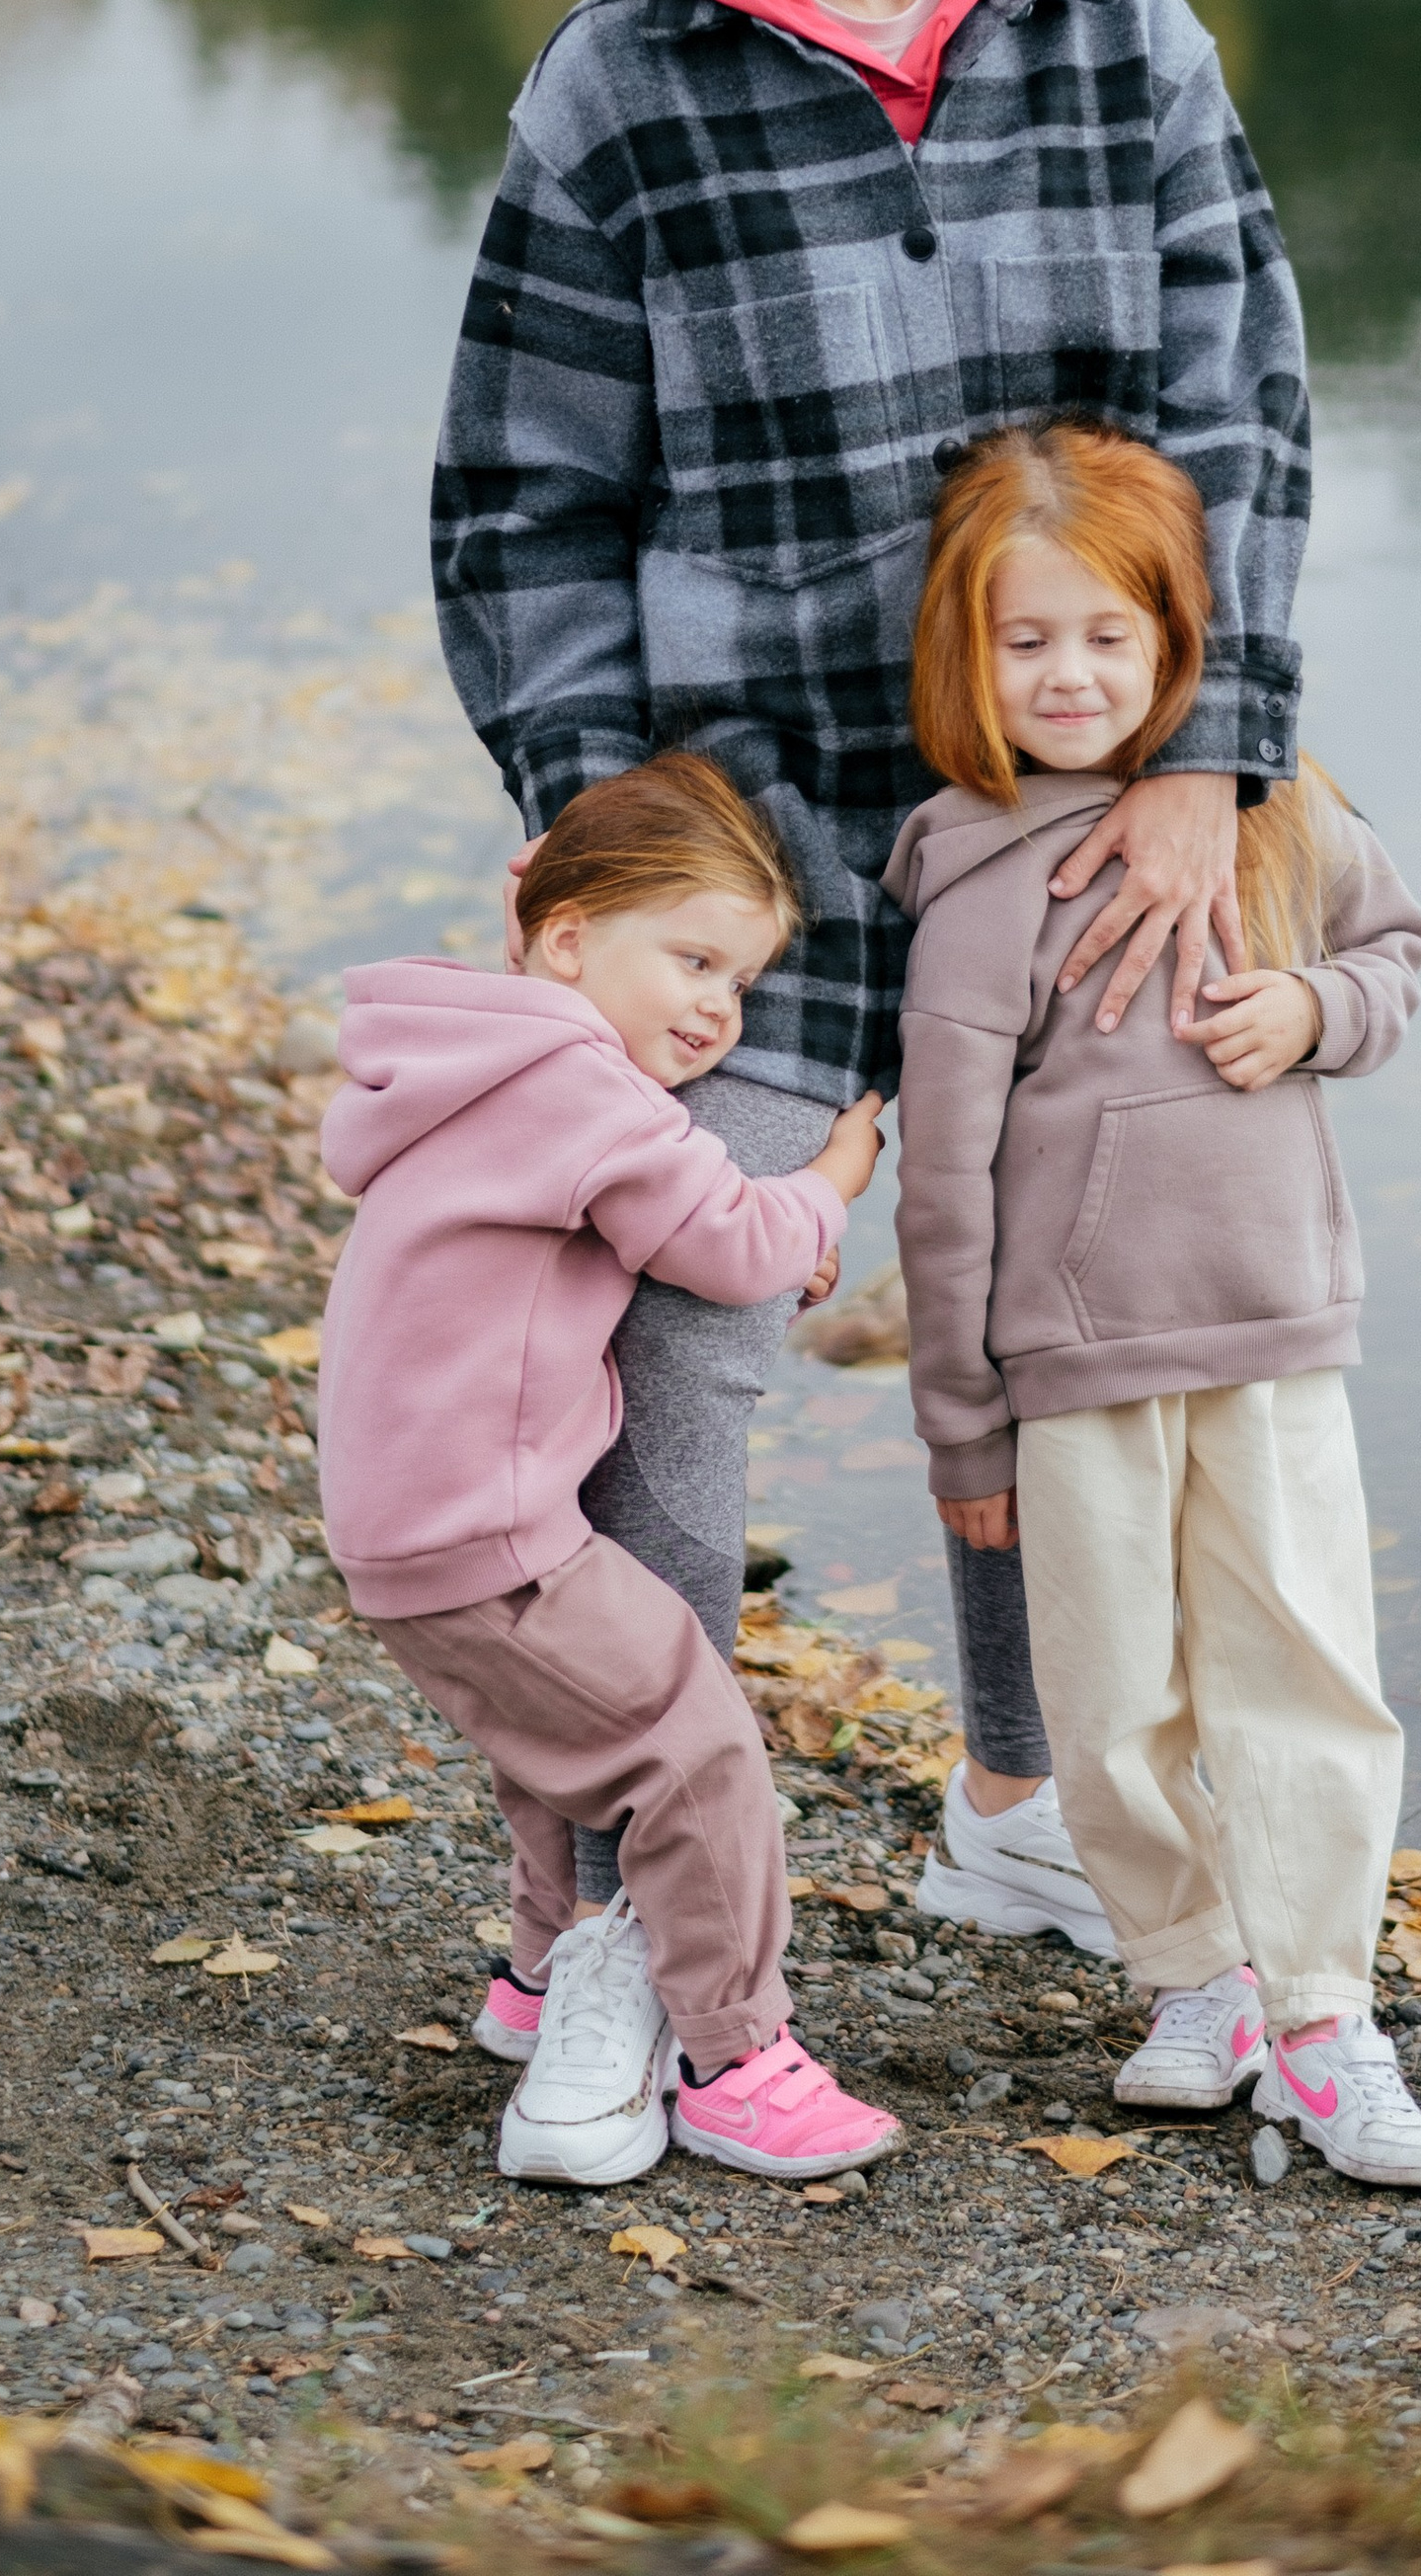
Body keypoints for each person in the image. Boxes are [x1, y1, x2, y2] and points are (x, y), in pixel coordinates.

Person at [431, 0, 1312, 1990]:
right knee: (666, 1389)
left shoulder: (1116, 36)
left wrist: (1206, 764)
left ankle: (1026, 1812)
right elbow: (522, 502)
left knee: (1060, 1352)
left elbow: (1232, 415)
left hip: (1068, 827)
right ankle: (612, 1915)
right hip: (756, 854)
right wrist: (621, 880)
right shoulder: (626, 77)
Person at [885, 419, 1421, 2189]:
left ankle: (1321, 2010)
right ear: (965, 655)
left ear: (1179, 640)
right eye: (1025, 638)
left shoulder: (1277, 804)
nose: (1069, 674)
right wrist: (961, 1415)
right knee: (1110, 1694)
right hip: (1072, 1368)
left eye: (1107, 637)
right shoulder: (973, 877)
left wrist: (1312, 1014)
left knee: (1305, 1670)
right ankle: (1189, 1971)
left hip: (1275, 1330)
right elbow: (943, 1182)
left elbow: (1402, 959)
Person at [316, 752, 901, 2189]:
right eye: (691, 958)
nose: (717, 1008)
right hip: (494, 1533)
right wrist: (831, 1182)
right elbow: (731, 1243)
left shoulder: (464, 1060)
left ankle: (534, 1978)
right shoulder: (585, 1087)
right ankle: (733, 2058)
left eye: (743, 984)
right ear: (567, 938)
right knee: (693, 1747)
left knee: (559, 1739)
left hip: (403, 1533)